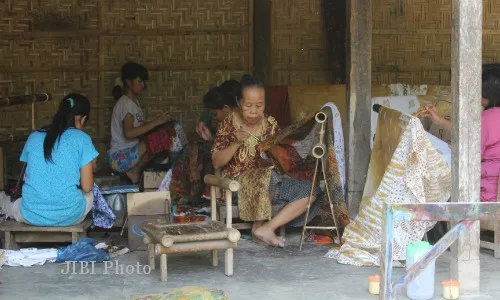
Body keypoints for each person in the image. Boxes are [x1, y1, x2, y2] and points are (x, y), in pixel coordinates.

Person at [211, 74, 322, 248]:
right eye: (248, 106)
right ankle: (258, 226)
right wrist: (236, 143)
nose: (254, 111)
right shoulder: (228, 124)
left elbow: (283, 155)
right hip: (237, 187)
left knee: (311, 190)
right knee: (266, 175)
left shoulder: (270, 123)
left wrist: (275, 148)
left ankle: (267, 228)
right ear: (239, 102)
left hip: (272, 183)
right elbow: (216, 162)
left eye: (259, 105)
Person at [0, 94, 98, 226]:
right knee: (91, 194)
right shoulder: (83, 139)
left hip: (31, 214)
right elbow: (87, 187)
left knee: (4, 200)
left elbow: (29, 176)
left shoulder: (34, 137)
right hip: (70, 216)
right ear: (83, 119)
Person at [422, 66, 500, 202]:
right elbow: (471, 133)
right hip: (494, 189)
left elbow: (470, 156)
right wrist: (440, 120)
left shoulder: (489, 117)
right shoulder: (492, 117)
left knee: (432, 188)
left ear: (487, 93)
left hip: (487, 195)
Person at [108, 62, 172, 183]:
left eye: (143, 81)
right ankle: (135, 170)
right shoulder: (126, 103)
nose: (143, 85)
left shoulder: (134, 103)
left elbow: (140, 129)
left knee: (163, 134)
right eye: (139, 81)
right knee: (159, 138)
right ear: (128, 82)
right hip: (119, 158)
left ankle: (137, 170)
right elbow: (128, 133)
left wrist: (159, 124)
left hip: (130, 153)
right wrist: (156, 122)